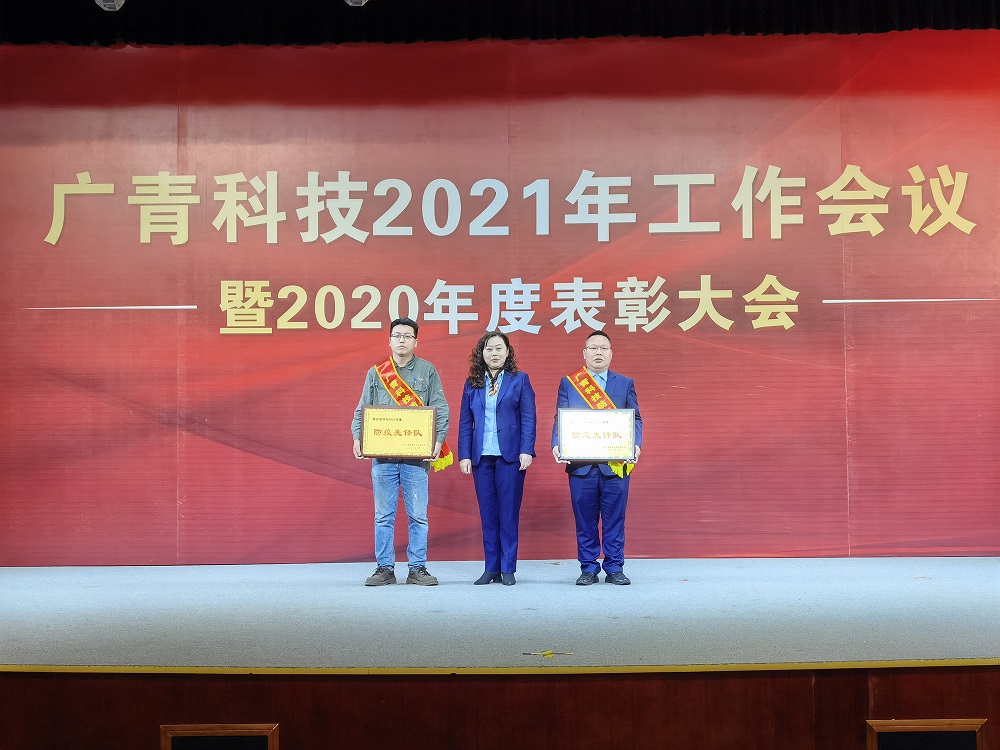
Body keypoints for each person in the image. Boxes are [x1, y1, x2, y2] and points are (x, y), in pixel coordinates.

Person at [352, 317, 451, 586]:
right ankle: (384, 568)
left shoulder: (427, 370)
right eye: (397, 335)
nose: (402, 340)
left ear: (416, 341)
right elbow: (362, 409)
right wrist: (358, 437)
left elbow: (440, 407)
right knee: (383, 516)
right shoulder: (377, 372)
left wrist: (438, 441)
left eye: (408, 336)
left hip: (416, 458)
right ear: (390, 340)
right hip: (383, 456)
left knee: (418, 515)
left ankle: (417, 568)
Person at [551, 329, 642, 586]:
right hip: (581, 465)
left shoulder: (624, 383)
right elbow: (560, 418)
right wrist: (557, 443)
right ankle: (588, 568)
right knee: (585, 520)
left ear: (611, 354)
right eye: (593, 348)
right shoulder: (570, 383)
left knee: (615, 519)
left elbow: (635, 418)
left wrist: (635, 444)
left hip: (616, 464)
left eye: (603, 348)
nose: (598, 352)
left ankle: (614, 567)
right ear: (584, 353)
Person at [457, 331, 537, 586]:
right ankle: (491, 567)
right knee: (488, 514)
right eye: (489, 349)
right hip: (481, 458)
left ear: (507, 352)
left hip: (510, 457)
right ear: (482, 353)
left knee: (509, 514)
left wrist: (527, 450)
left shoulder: (520, 380)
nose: (494, 353)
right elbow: (465, 422)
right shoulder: (472, 383)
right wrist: (464, 454)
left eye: (499, 348)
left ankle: (508, 568)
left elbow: (528, 417)